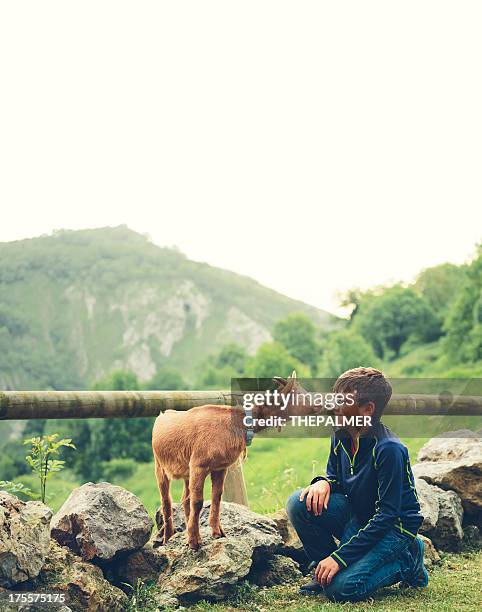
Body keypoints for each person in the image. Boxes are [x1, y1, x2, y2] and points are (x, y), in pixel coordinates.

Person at [286, 367, 428, 602]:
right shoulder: (341, 433)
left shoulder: (389, 450)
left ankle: (408, 560)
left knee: (341, 590)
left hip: (393, 528)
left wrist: (340, 559)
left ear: (367, 409)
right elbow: (336, 477)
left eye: (343, 400)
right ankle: (324, 570)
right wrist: (323, 482)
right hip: (359, 515)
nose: (334, 405)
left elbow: (387, 516)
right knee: (298, 502)